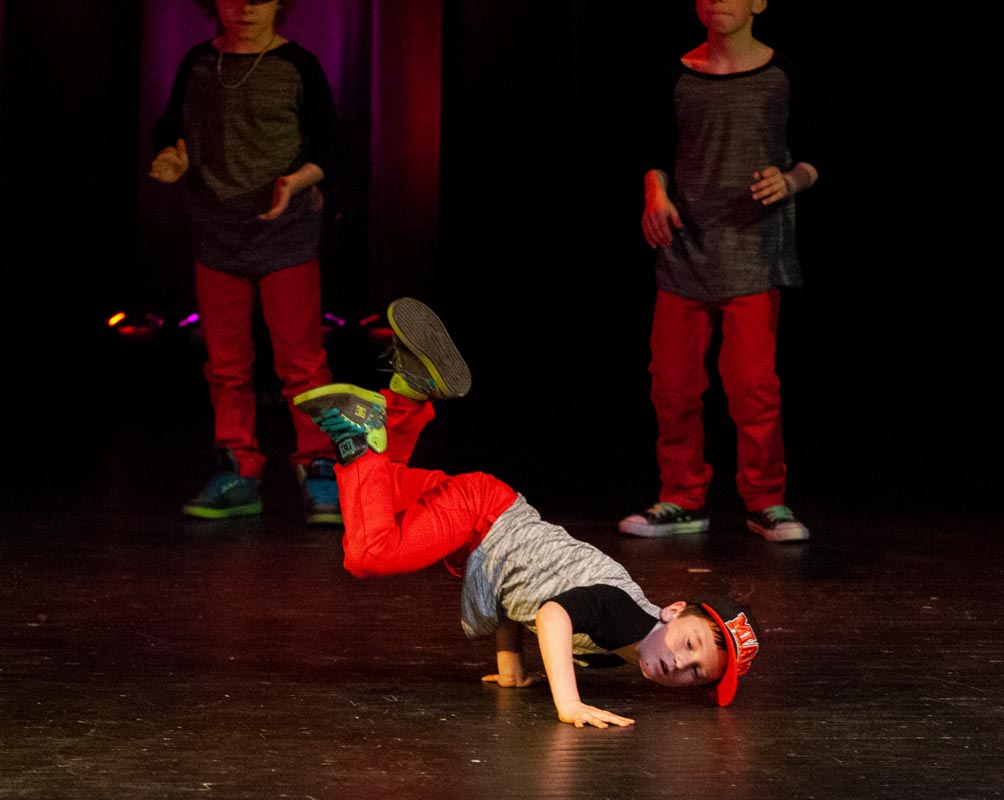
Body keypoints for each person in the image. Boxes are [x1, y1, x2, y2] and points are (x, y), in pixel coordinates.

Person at [293, 297, 763, 728]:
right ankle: (360, 435)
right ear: (673, 611)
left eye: (695, 673)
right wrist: (569, 703)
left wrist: (511, 666)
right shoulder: (625, 616)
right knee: (369, 552)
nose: (679, 664)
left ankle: (409, 390)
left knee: (378, 495)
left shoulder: (622, 644)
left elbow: (527, 596)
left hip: (489, 514)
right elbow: (553, 616)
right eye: (690, 644)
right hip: (482, 518)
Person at [619, 0, 820, 543]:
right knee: (673, 384)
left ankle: (767, 500)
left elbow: (813, 154)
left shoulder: (783, 74)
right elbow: (656, 151)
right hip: (684, 247)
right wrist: (655, 193)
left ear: (759, 3)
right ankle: (682, 497)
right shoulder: (678, 74)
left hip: (751, 251)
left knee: (753, 387)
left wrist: (790, 181)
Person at [149, 0, 342, 526]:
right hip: (217, 236)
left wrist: (296, 182)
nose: (246, 8)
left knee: (302, 364)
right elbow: (170, 132)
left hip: (285, 236)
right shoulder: (198, 64)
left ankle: (319, 467)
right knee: (226, 367)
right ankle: (238, 471)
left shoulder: (296, 65)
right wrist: (172, 158)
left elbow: (330, 147)